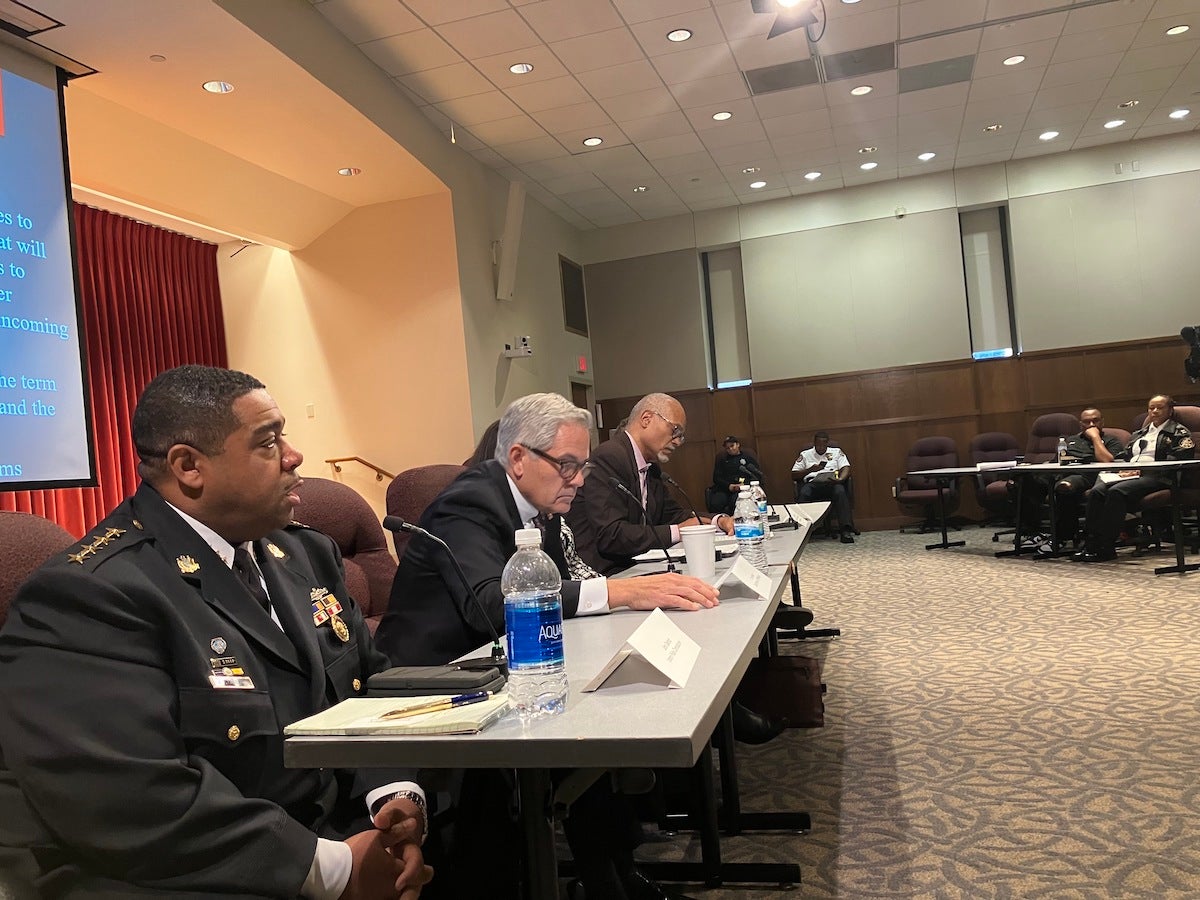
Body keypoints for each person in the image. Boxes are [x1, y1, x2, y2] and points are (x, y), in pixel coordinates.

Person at [0, 365, 431, 900]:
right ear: (189, 467)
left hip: (326, 833)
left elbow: (368, 684)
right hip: (195, 872)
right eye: (269, 441)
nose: (295, 456)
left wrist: (391, 797)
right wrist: (334, 869)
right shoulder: (92, 594)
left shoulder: (301, 551)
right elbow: (132, 800)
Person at [375, 392, 719, 900]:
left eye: (580, 467)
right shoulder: (468, 502)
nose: (578, 480)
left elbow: (559, 593)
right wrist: (622, 591)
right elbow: (490, 604)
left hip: (508, 668)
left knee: (592, 727)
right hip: (434, 683)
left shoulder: (541, 505)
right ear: (518, 458)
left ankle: (619, 880)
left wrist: (621, 599)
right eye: (567, 466)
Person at [566, 393, 733, 576]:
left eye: (681, 436)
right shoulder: (611, 457)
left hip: (635, 566)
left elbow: (672, 514)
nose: (677, 441)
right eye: (675, 430)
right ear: (646, 419)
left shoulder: (650, 466)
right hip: (604, 574)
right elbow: (611, 535)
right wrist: (679, 531)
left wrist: (718, 521)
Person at [1075, 394, 1195, 562]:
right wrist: (1123, 470)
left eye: (1159, 408)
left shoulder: (1179, 433)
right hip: (1133, 475)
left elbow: (1180, 460)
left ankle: (1106, 547)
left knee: (1116, 492)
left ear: (1170, 410)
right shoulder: (1140, 433)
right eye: (1151, 408)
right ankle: (1090, 544)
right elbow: (1125, 456)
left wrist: (1141, 471)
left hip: (1160, 477)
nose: (1154, 411)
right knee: (1097, 491)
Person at [1012, 407, 1125, 554]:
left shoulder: (1111, 440)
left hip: (1087, 475)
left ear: (1102, 422)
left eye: (1095, 421)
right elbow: (1057, 460)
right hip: (1061, 472)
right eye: (1087, 422)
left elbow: (1107, 461)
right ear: (1080, 424)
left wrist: (1095, 437)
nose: (1091, 424)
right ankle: (1035, 532)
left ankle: (1062, 538)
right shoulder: (1070, 440)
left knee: (1064, 487)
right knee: (1022, 481)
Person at [791, 431, 855, 543]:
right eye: (818, 445)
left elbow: (846, 467)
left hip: (831, 483)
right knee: (804, 493)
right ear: (814, 443)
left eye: (823, 445)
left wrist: (841, 479)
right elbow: (793, 474)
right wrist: (810, 470)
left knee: (840, 491)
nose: (821, 447)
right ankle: (803, 530)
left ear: (827, 443)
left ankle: (845, 530)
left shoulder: (836, 452)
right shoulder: (805, 454)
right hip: (813, 484)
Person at [708, 435, 763, 515]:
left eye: (732, 446)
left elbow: (756, 477)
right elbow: (716, 478)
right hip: (726, 489)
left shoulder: (748, 459)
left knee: (736, 501)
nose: (730, 449)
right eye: (727, 448)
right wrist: (729, 486)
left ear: (738, 445)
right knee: (716, 502)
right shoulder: (722, 460)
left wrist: (743, 485)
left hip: (743, 489)